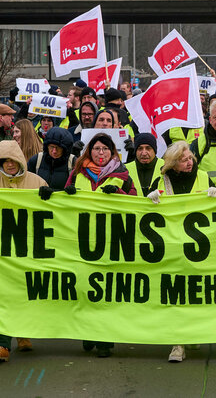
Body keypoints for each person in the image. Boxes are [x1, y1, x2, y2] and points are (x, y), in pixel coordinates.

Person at [0, 140, 47, 362]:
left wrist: (50, 196)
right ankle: (1, 345)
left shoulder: (37, 182)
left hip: (29, 250)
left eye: (12, 160)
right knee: (0, 296)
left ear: (20, 160)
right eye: (4, 161)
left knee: (26, 294)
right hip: (0, 252)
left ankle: (23, 334)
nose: (9, 165)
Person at [146, 141, 216, 363]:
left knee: (196, 293)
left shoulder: (204, 177)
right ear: (172, 164)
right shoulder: (161, 180)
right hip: (172, 246)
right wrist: (150, 200)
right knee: (176, 294)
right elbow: (147, 208)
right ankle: (178, 343)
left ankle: (193, 332)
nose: (189, 163)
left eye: (190, 159)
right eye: (183, 160)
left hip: (199, 248)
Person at [65, 133, 136, 358]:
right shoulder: (77, 174)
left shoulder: (123, 175)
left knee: (107, 293)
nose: (101, 153)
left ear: (112, 152)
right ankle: (88, 332)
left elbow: (137, 203)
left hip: (111, 241)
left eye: (105, 149)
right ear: (89, 151)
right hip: (83, 242)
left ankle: (105, 340)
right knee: (86, 291)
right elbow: (62, 202)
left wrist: (120, 192)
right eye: (96, 149)